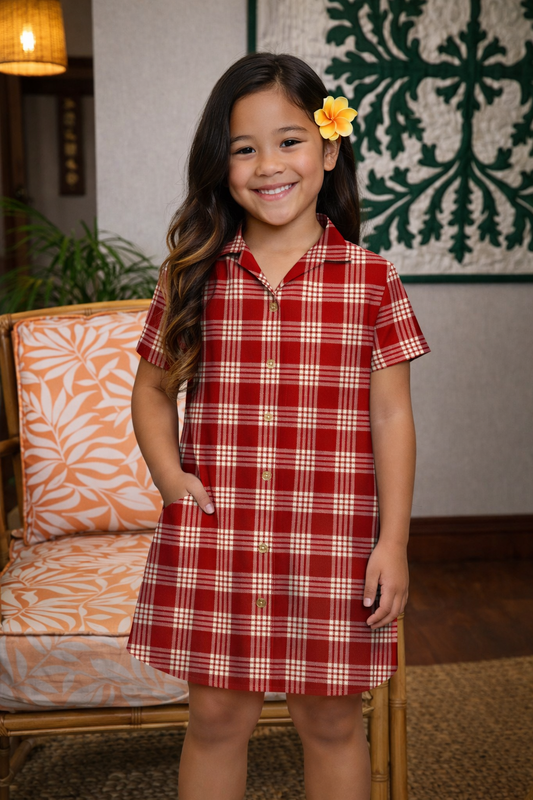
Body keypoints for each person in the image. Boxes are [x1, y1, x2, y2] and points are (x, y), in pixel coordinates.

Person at [127, 52, 430, 800]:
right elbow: (152, 392)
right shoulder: (192, 273)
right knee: (217, 718)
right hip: (220, 532)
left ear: (329, 150)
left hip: (331, 538)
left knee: (330, 724)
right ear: (220, 162)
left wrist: (391, 541)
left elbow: (391, 414)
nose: (268, 165)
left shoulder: (371, 278)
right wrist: (171, 479)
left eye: (289, 140)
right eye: (243, 147)